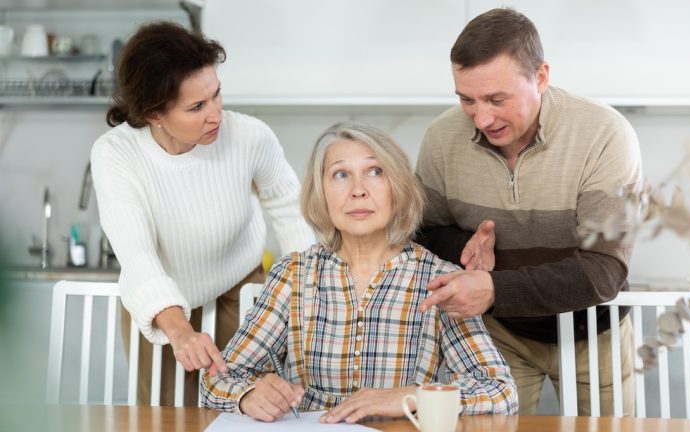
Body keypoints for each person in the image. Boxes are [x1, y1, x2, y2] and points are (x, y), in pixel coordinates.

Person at [201, 122, 518, 422]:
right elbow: (217, 381)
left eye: (375, 172)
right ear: (321, 194)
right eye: (340, 175)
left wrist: (412, 397)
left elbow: (500, 390)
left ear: (398, 187)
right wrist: (248, 394)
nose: (358, 190)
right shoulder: (292, 274)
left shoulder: (442, 280)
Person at [415, 8, 642, 416]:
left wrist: (494, 288)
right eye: (467, 99)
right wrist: (464, 244)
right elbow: (422, 234)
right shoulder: (441, 139)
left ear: (540, 77)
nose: (482, 118)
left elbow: (604, 269)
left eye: (497, 99)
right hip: (498, 334)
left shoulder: (604, 135)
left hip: (594, 330)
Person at [90, 21, 315, 406]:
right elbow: (137, 254)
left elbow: (290, 210)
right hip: (158, 303)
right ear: (154, 114)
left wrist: (308, 289)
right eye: (196, 107)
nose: (215, 115)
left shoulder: (249, 136)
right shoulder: (116, 154)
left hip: (239, 289)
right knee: (161, 417)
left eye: (216, 95)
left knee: (249, 410)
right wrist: (178, 331)